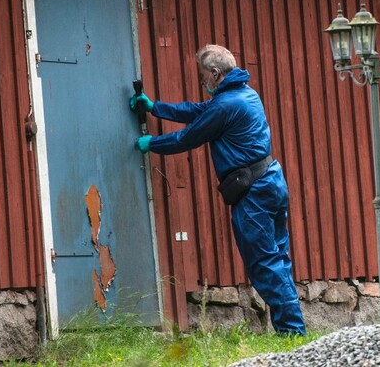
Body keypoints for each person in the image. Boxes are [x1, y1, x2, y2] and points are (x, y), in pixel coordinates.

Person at [129, 44, 306, 336]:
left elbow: (189, 137)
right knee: (278, 258)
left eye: (202, 77)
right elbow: (198, 111)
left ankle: (292, 332)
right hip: (271, 182)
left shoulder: (227, 105)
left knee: (265, 263)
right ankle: (292, 329)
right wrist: (155, 107)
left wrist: (151, 145)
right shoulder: (245, 95)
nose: (202, 83)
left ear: (214, 74)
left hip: (254, 193)